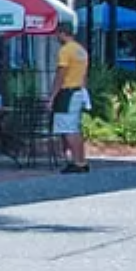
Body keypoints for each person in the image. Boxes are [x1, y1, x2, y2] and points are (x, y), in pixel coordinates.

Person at [52, 23, 92, 173]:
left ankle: (76, 161)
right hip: (79, 91)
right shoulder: (81, 50)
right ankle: (82, 160)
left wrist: (52, 96)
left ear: (62, 33)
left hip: (67, 92)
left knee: (67, 128)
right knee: (75, 128)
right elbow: (84, 74)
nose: (56, 37)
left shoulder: (65, 51)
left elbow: (61, 74)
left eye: (57, 34)